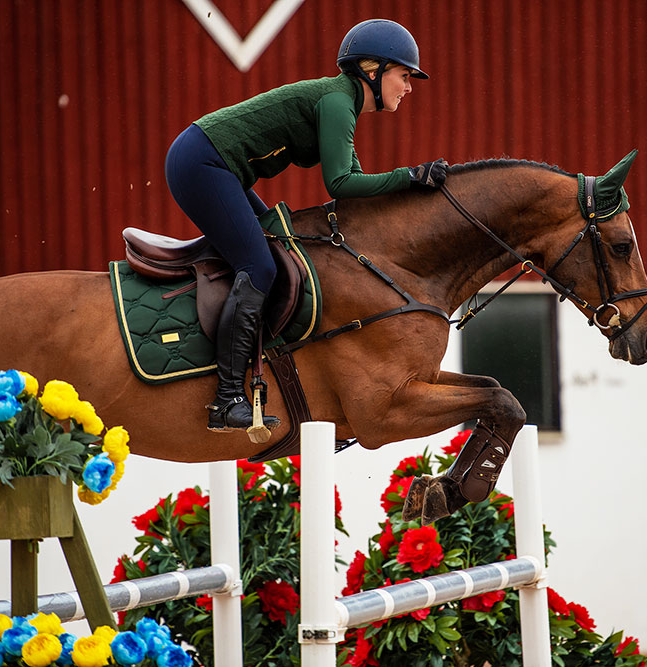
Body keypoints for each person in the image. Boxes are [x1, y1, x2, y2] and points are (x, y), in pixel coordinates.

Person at [165, 18, 449, 433]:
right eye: (404, 76)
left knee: (277, 249)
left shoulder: (342, 101)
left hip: (211, 162)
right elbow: (341, 183)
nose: (408, 87)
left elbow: (353, 194)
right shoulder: (337, 101)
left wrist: (414, 190)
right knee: (259, 268)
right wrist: (410, 176)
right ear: (373, 71)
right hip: (203, 163)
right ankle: (226, 400)